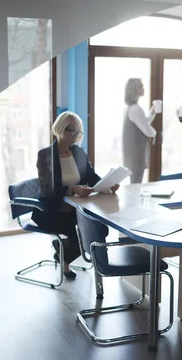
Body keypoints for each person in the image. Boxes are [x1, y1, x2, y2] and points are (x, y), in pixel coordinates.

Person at [35, 111, 119, 279]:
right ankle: (64, 256)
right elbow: (47, 189)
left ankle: (62, 251)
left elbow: (90, 176)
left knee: (100, 229)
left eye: (77, 132)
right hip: (53, 210)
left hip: (76, 209)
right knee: (80, 237)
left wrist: (107, 184)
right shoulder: (46, 155)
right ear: (59, 129)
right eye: (70, 130)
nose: (74, 135)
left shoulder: (78, 153)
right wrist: (72, 189)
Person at [122, 78, 157, 184]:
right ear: (135, 90)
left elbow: (143, 123)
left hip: (131, 152)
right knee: (136, 183)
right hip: (136, 153)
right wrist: (156, 133)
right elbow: (148, 131)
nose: (143, 88)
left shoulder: (130, 108)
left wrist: (152, 113)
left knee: (135, 181)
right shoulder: (136, 109)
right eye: (141, 86)